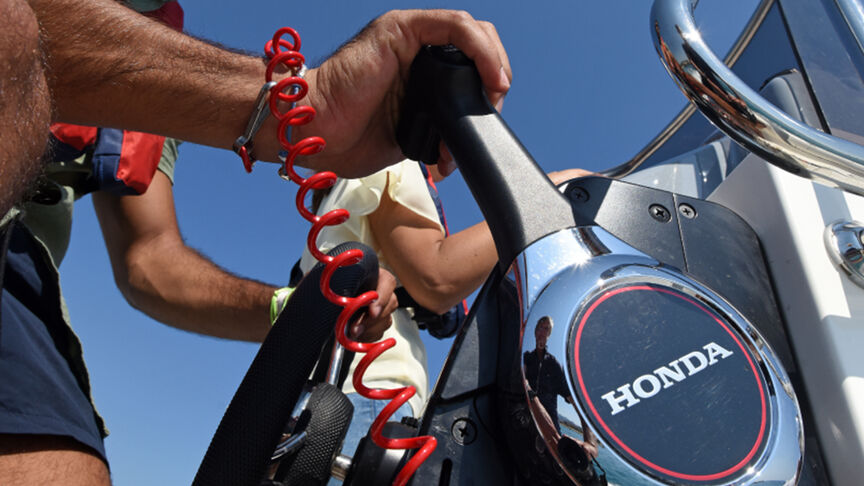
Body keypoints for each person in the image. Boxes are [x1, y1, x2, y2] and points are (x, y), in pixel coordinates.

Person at [0, 0, 512, 484]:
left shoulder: (150, 82)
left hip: (24, 271)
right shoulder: (396, 169)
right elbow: (436, 276)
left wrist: (294, 311)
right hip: (369, 397)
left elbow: (149, 261)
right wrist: (551, 201)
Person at [299, 159, 590, 468]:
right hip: (367, 394)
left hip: (321, 398)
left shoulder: (343, 190)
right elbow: (436, 278)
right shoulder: (392, 163)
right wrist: (551, 191)